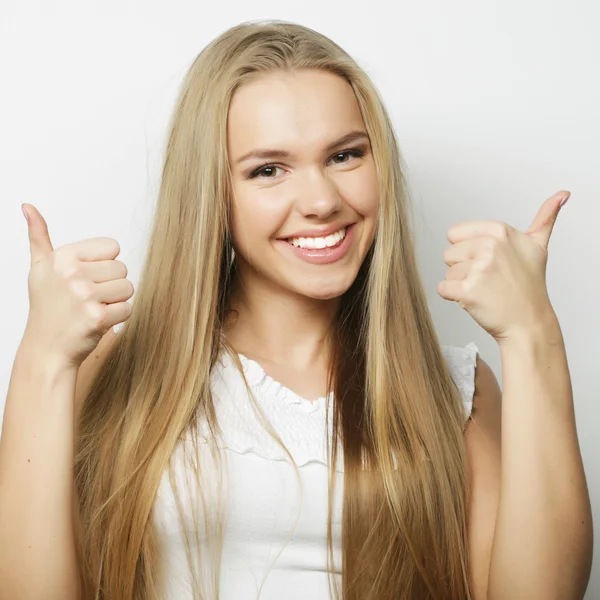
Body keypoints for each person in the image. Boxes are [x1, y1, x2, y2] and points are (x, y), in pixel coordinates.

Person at [0, 19, 592, 600]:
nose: (321, 201)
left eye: (345, 156)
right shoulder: (113, 371)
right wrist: (42, 362)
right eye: (268, 169)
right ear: (211, 195)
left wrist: (531, 334)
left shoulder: (455, 387)